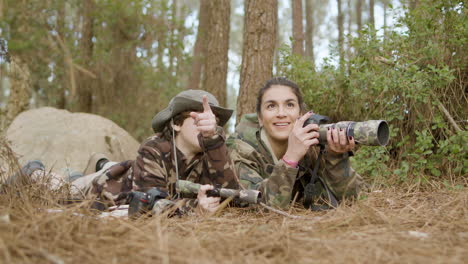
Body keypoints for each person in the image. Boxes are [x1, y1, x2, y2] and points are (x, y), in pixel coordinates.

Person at [13, 90, 239, 215]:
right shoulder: (154, 147)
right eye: (198, 117)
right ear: (176, 124)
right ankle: (35, 170)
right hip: (105, 192)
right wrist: (196, 209)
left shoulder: (213, 153)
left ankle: (92, 166)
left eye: (213, 122)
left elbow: (232, 195)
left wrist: (213, 140)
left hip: (125, 177)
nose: (207, 124)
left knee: (74, 178)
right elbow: (149, 204)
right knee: (57, 189)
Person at [228, 77, 365, 210]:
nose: (281, 113)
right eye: (271, 106)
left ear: (300, 113)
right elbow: (258, 205)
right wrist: (290, 159)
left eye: (290, 105)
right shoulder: (241, 150)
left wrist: (337, 158)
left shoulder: (311, 143)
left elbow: (356, 199)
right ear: (260, 118)